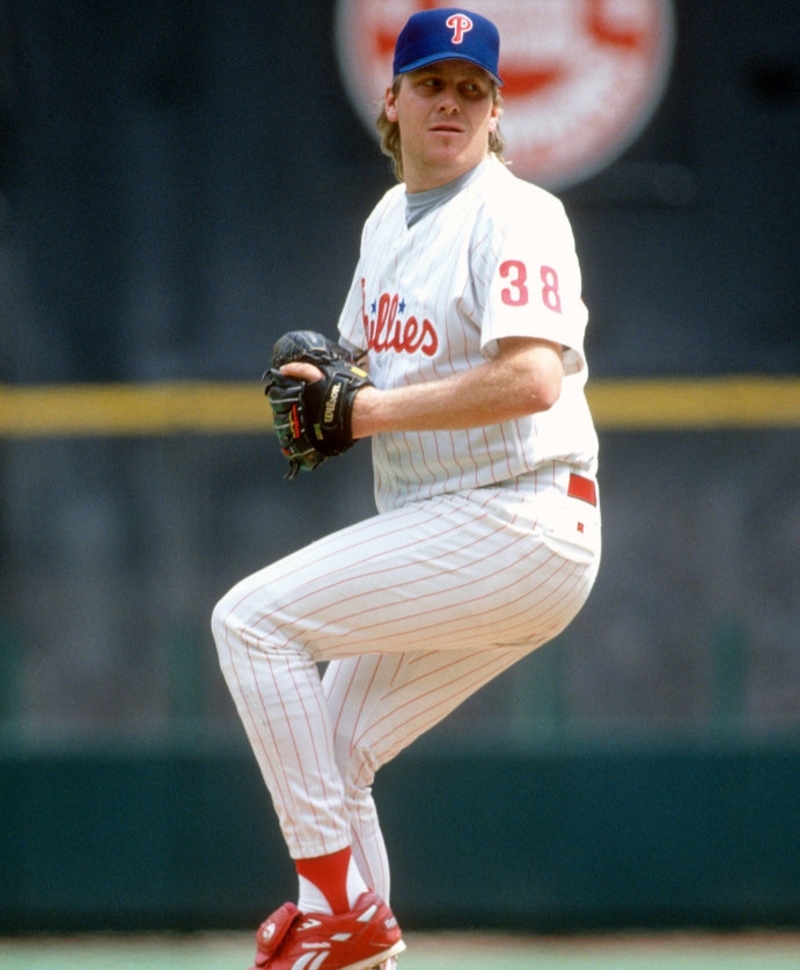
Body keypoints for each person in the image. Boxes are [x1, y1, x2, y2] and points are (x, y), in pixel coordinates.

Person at [212, 8, 601, 970]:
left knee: (250, 624)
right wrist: (327, 382)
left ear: (499, 112)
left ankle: (339, 910)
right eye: (434, 84)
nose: (453, 103)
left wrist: (365, 413)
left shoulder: (518, 213)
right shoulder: (388, 220)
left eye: (474, 90)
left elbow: (532, 379)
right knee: (334, 753)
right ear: (392, 99)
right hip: (460, 525)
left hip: (522, 514)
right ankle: (357, 945)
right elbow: (355, 366)